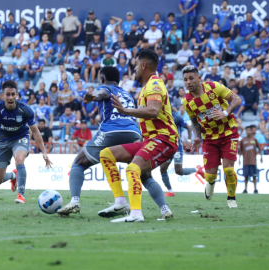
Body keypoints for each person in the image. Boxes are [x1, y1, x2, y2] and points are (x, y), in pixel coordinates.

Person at [58, 65, 168, 220]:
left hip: (111, 131)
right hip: (134, 133)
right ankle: (165, 209)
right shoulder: (127, 94)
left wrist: (90, 96)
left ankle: (75, 201)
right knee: (144, 174)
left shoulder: (105, 88)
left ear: (103, 78)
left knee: (78, 163)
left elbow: (101, 93)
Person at [94, 50, 177, 222]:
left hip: (164, 139)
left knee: (133, 169)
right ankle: (120, 201)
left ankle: (136, 214)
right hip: (150, 139)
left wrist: (125, 111)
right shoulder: (147, 87)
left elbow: (153, 111)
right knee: (106, 154)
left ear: (143, 65)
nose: (135, 69)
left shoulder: (154, 84)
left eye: (136, 65)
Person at [182, 65, 243, 208]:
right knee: (209, 176)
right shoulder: (187, 101)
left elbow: (237, 100)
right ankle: (210, 183)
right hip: (209, 137)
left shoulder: (214, 87)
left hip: (229, 133)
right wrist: (197, 137)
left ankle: (231, 198)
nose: (188, 82)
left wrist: (225, 112)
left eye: (191, 78)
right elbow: (194, 122)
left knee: (228, 169)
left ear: (199, 78)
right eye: (185, 80)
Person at [0, 80, 52, 204]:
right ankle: (14, 176)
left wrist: (44, 152)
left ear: (17, 95)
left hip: (20, 138)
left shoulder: (25, 109)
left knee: (19, 159)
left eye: (13, 94)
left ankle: (21, 195)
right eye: (7, 94)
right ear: (2, 95)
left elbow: (35, 131)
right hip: (3, 141)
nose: (10, 97)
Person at [159, 114, 205, 197]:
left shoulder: (176, 117)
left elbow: (188, 128)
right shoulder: (161, 116)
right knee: (162, 168)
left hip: (177, 147)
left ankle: (197, 169)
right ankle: (170, 191)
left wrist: (189, 141)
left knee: (178, 171)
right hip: (167, 147)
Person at [239, 126, 263, 194]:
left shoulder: (254, 139)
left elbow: (259, 148)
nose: (248, 132)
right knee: (246, 176)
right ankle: (245, 189)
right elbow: (240, 150)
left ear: (251, 131)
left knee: (254, 176)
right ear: (245, 132)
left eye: (250, 130)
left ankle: (255, 189)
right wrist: (239, 159)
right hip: (245, 161)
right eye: (247, 130)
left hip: (253, 161)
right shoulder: (243, 140)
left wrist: (261, 157)